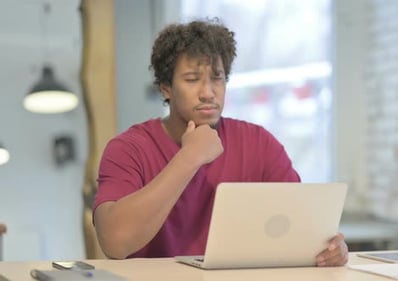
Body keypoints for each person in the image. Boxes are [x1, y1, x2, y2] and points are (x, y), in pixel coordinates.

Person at [93, 18, 348, 267]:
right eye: (192, 79)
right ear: (166, 89)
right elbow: (115, 243)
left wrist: (331, 248)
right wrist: (189, 157)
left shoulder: (259, 143)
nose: (208, 92)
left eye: (217, 78)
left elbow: (302, 229)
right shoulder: (128, 148)